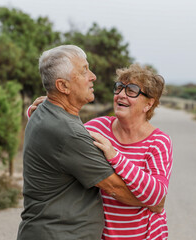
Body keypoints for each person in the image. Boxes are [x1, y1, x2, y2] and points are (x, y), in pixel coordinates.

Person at [17, 45, 160, 240]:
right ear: (63, 86)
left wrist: (47, 104)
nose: (93, 76)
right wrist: (154, 203)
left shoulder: (46, 114)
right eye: (84, 70)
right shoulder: (69, 132)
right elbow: (116, 188)